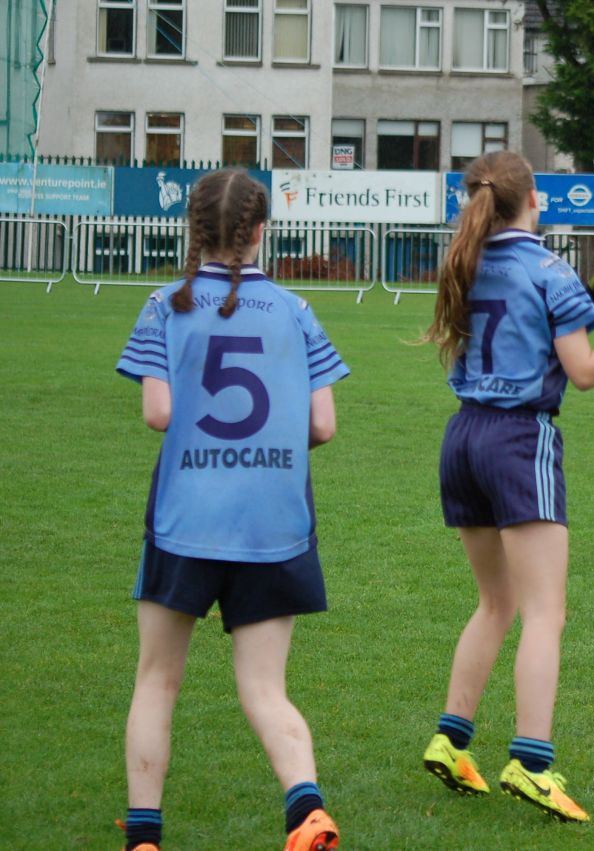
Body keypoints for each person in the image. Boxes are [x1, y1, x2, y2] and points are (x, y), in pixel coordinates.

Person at [419, 151, 594, 823]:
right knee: (545, 610)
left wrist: (590, 296)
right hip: (517, 439)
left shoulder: (467, 260)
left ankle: (450, 740)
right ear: (534, 199)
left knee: (494, 601)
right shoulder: (548, 269)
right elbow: (584, 371)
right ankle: (532, 764)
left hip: (464, 437)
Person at [114, 169, 349, 851]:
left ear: (195, 230)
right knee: (266, 687)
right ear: (258, 230)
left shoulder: (164, 303)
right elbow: (324, 425)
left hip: (186, 514)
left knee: (157, 679)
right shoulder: (297, 309)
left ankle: (145, 839)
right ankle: (306, 809)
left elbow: (158, 411)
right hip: (273, 518)